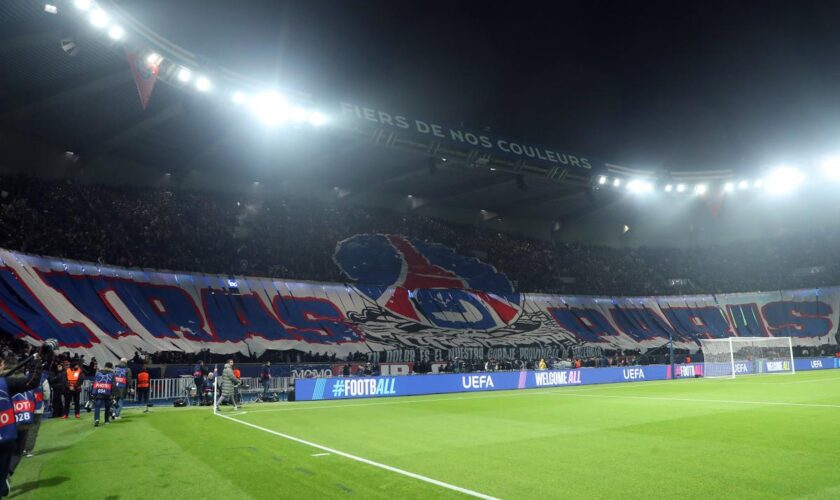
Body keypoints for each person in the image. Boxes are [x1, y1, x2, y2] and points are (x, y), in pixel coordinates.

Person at [0, 343, 52, 497]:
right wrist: (37, 360)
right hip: (7, 434)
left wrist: (37, 359)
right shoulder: (4, 383)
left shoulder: (5, 382)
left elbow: (31, 382)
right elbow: (32, 382)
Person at [22, 371, 49, 458]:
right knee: (33, 429)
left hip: (24, 407)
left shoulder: (24, 377)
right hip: (37, 407)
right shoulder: (43, 379)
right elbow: (46, 395)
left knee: (23, 428)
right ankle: (28, 450)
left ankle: (20, 449)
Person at [92, 362, 115, 427]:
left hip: (98, 391)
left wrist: (93, 392)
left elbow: (94, 382)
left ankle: (96, 419)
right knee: (107, 407)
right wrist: (113, 394)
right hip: (107, 392)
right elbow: (113, 385)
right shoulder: (112, 374)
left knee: (97, 406)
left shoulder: (98, 373)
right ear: (111, 367)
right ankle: (106, 420)